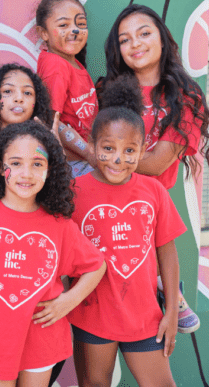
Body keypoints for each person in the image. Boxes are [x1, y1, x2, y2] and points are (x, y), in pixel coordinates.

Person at [0, 121, 106, 386]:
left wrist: (68, 301)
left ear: (50, 171)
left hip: (42, 336)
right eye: (15, 163)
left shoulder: (58, 224)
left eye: (37, 164)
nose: (26, 173)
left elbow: (96, 266)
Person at [100, 4, 209, 333]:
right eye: (125, 39)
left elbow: (155, 163)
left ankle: (168, 286)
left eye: (144, 33)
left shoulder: (185, 96)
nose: (134, 43)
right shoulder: (110, 92)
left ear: (163, 39)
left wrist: (97, 155)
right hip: (104, 206)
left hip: (147, 209)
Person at [68, 76, 184, 387]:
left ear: (143, 149)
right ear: (92, 146)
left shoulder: (153, 191)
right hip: (92, 316)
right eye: (108, 148)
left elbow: (168, 253)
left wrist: (171, 311)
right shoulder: (72, 192)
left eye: (130, 150)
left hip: (146, 318)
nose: (119, 159)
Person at [0, 63, 54, 197]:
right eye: (7, 91)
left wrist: (55, 150)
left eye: (27, 92)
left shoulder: (45, 153)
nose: (19, 98)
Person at [35, 0, 98, 177]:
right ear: (43, 33)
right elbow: (52, 121)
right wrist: (88, 152)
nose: (75, 30)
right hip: (73, 163)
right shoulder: (56, 66)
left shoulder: (73, 62)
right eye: (63, 25)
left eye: (81, 24)